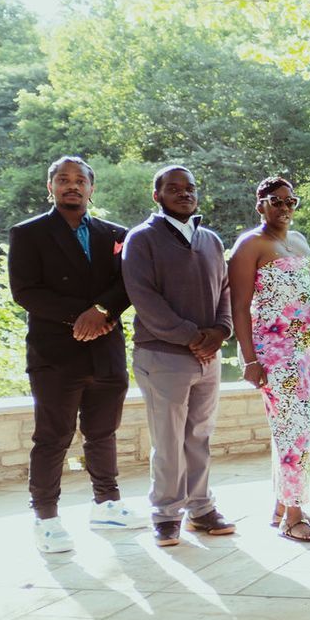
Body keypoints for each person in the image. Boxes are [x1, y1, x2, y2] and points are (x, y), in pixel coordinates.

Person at [6, 156, 143, 553]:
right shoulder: (28, 233)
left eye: (79, 180)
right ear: (49, 187)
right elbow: (25, 292)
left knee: (103, 432)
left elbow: (127, 282)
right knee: (53, 436)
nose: (72, 186)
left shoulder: (115, 233)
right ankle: (45, 518)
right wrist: (78, 318)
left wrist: (101, 312)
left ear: (91, 188)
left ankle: (107, 504)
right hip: (55, 353)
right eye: (63, 180)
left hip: (106, 349)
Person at [122, 165, 235, 547]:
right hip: (162, 355)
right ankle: (166, 513)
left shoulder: (211, 241)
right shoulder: (142, 239)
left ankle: (201, 508)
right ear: (157, 196)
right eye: (173, 188)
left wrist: (221, 331)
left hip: (208, 355)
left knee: (199, 436)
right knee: (168, 440)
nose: (184, 193)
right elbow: (145, 298)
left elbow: (225, 292)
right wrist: (191, 336)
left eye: (189, 188)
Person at [227, 176, 310, 544]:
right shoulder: (249, 245)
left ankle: (284, 504)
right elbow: (238, 306)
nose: (284, 208)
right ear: (260, 205)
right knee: (292, 429)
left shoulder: (298, 241)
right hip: (273, 355)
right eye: (276, 201)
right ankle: (294, 518)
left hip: (304, 353)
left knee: (300, 427)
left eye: (290, 201)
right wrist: (249, 359)